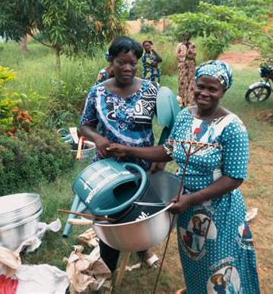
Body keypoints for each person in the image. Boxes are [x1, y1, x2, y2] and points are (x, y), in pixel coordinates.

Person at [107, 60, 260, 294]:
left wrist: (192, 198)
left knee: (221, 266)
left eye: (212, 89)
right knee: (194, 262)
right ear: (193, 85)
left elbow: (234, 178)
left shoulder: (232, 127)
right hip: (185, 206)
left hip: (219, 212)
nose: (204, 93)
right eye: (201, 86)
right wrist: (128, 150)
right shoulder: (186, 116)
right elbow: (169, 150)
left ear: (223, 91)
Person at [79, 36, 160, 272]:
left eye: (133, 63)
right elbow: (84, 125)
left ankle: (142, 248)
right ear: (111, 61)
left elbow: (169, 124)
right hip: (109, 168)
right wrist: (99, 139)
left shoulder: (150, 91)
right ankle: (108, 263)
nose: (127, 68)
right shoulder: (98, 92)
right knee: (110, 217)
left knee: (141, 212)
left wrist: (161, 160)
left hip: (142, 165)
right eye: (121, 62)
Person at [176, 33, 197, 107]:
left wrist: (188, 50)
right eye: (184, 36)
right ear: (183, 37)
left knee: (191, 82)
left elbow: (194, 54)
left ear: (190, 37)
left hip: (191, 65)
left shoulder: (192, 45)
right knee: (182, 82)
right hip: (182, 66)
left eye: (188, 36)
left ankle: (189, 102)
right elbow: (177, 55)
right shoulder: (180, 45)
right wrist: (186, 55)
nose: (186, 37)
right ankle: (181, 102)